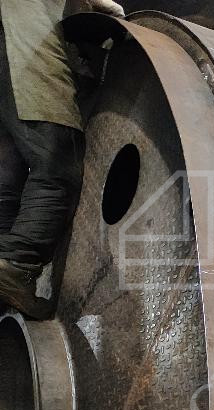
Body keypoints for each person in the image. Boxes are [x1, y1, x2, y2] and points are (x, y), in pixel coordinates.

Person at [0, 0, 124, 319]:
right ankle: (17, 265)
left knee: (8, 175)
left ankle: (2, 271)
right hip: (26, 42)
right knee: (57, 166)